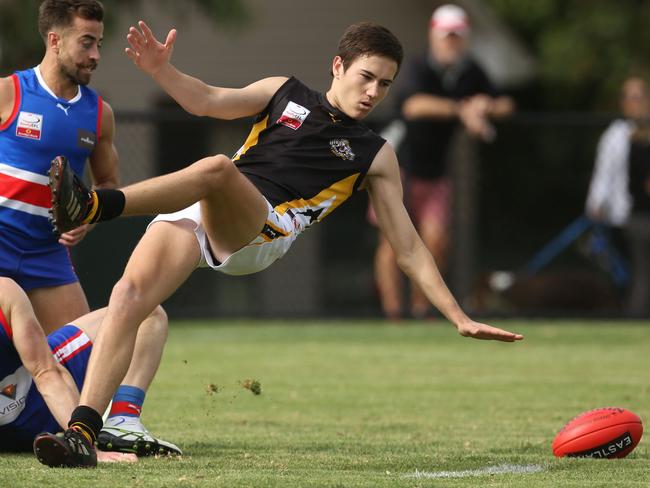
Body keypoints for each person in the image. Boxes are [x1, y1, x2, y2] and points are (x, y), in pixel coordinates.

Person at [35, 20, 523, 468]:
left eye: (385, 84)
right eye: (366, 77)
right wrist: (163, 71)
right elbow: (205, 100)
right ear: (339, 66)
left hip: (264, 231)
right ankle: (86, 432)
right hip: (207, 206)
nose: (373, 92)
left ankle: (95, 206)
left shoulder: (375, 153)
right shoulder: (282, 92)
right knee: (129, 298)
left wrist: (457, 316)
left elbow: (411, 248)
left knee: (217, 168)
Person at [369, 4, 515, 319]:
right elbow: (413, 106)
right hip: (396, 167)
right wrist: (463, 109)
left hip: (435, 172)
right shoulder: (419, 66)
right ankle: (393, 316)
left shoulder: (470, 70)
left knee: (436, 241)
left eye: (457, 37)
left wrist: (484, 105)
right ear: (434, 36)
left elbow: (506, 105)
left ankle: (422, 312)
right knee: (391, 244)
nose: (452, 43)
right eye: (447, 37)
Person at [0, 0, 119, 334]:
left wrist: (89, 216)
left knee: (83, 355)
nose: (96, 54)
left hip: (47, 253)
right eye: (86, 42)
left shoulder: (100, 115)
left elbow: (108, 182)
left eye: (98, 44)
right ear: (54, 41)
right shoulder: (8, 92)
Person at [0, 276, 181, 463]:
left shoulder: (5, 292)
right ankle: (110, 424)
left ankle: (121, 421)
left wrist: (84, 442)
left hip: (49, 399)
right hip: (34, 414)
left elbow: (45, 371)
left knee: (146, 313)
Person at [585, 77, 650, 315]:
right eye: (629, 97)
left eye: (639, 97)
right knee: (635, 272)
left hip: (637, 215)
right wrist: (595, 205)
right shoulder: (615, 135)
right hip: (623, 216)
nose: (635, 103)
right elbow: (603, 174)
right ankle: (634, 317)